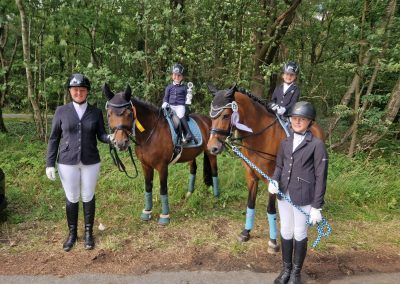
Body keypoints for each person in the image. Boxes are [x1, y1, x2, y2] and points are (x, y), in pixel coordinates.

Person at [45, 73, 112, 252]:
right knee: (72, 197)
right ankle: (72, 234)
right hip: (67, 162)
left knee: (88, 196)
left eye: (82, 90)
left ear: (87, 92)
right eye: (75, 90)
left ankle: (89, 233)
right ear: (70, 91)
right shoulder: (61, 111)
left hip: (91, 161)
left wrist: (111, 138)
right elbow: (54, 138)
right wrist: (49, 163)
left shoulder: (96, 112)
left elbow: (101, 135)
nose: (79, 93)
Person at [268, 101, 328, 284]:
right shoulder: (285, 142)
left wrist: (317, 206)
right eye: (294, 118)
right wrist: (274, 180)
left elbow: (321, 176)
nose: (297, 121)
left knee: (299, 233)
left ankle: (296, 273)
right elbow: (279, 165)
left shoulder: (316, 145)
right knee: (285, 230)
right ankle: (286, 269)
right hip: (284, 194)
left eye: (302, 119)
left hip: (304, 196)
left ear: (310, 122)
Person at [161, 63, 195, 143]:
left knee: (180, 116)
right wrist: (165, 102)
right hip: (171, 106)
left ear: (182, 77)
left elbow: (187, 98)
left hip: (180, 106)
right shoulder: (169, 87)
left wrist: (189, 97)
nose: (177, 77)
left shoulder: (185, 87)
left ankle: (188, 133)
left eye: (179, 75)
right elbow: (166, 97)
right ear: (172, 76)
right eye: (175, 75)